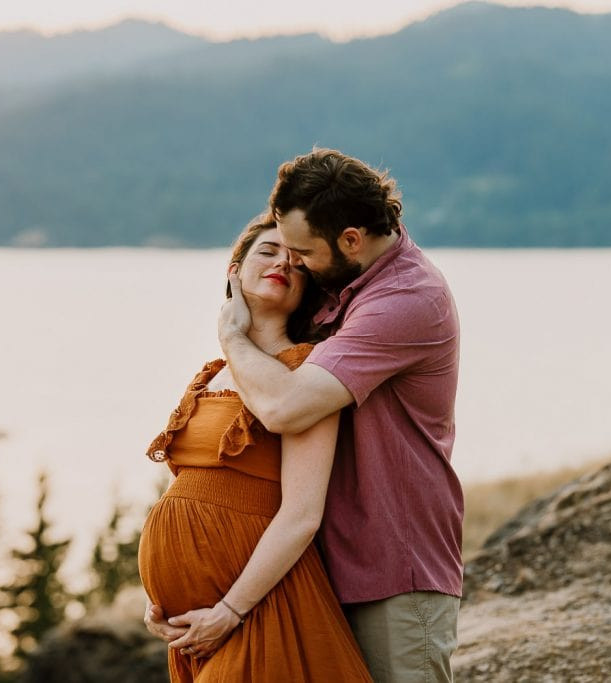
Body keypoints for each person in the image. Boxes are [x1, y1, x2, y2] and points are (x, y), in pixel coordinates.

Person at [214, 149, 463, 682]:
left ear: (351, 239)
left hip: (393, 567)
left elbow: (285, 407)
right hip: (323, 566)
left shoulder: (405, 299)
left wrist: (231, 335)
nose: (294, 262)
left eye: (302, 251)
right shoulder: (342, 282)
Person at [137, 214, 373, 682]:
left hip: (259, 607)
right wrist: (158, 596)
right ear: (234, 270)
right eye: (268, 251)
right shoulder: (210, 375)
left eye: (298, 263)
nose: (283, 263)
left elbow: (302, 513)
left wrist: (230, 610)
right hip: (193, 622)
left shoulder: (307, 374)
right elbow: (187, 492)